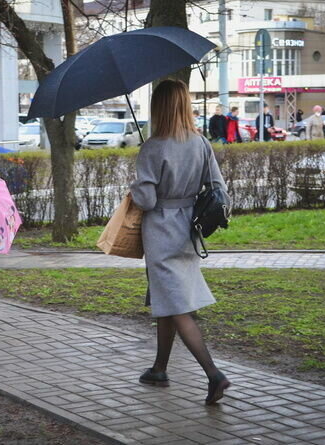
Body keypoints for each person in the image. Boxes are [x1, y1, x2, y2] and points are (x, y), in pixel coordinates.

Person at [130, 79, 230, 405]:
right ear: (185, 105)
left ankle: (213, 374)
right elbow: (219, 189)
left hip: (160, 231)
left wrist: (136, 185)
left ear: (158, 107)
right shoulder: (200, 143)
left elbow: (144, 200)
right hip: (189, 229)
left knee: (177, 306)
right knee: (168, 300)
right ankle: (159, 368)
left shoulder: (153, 147)